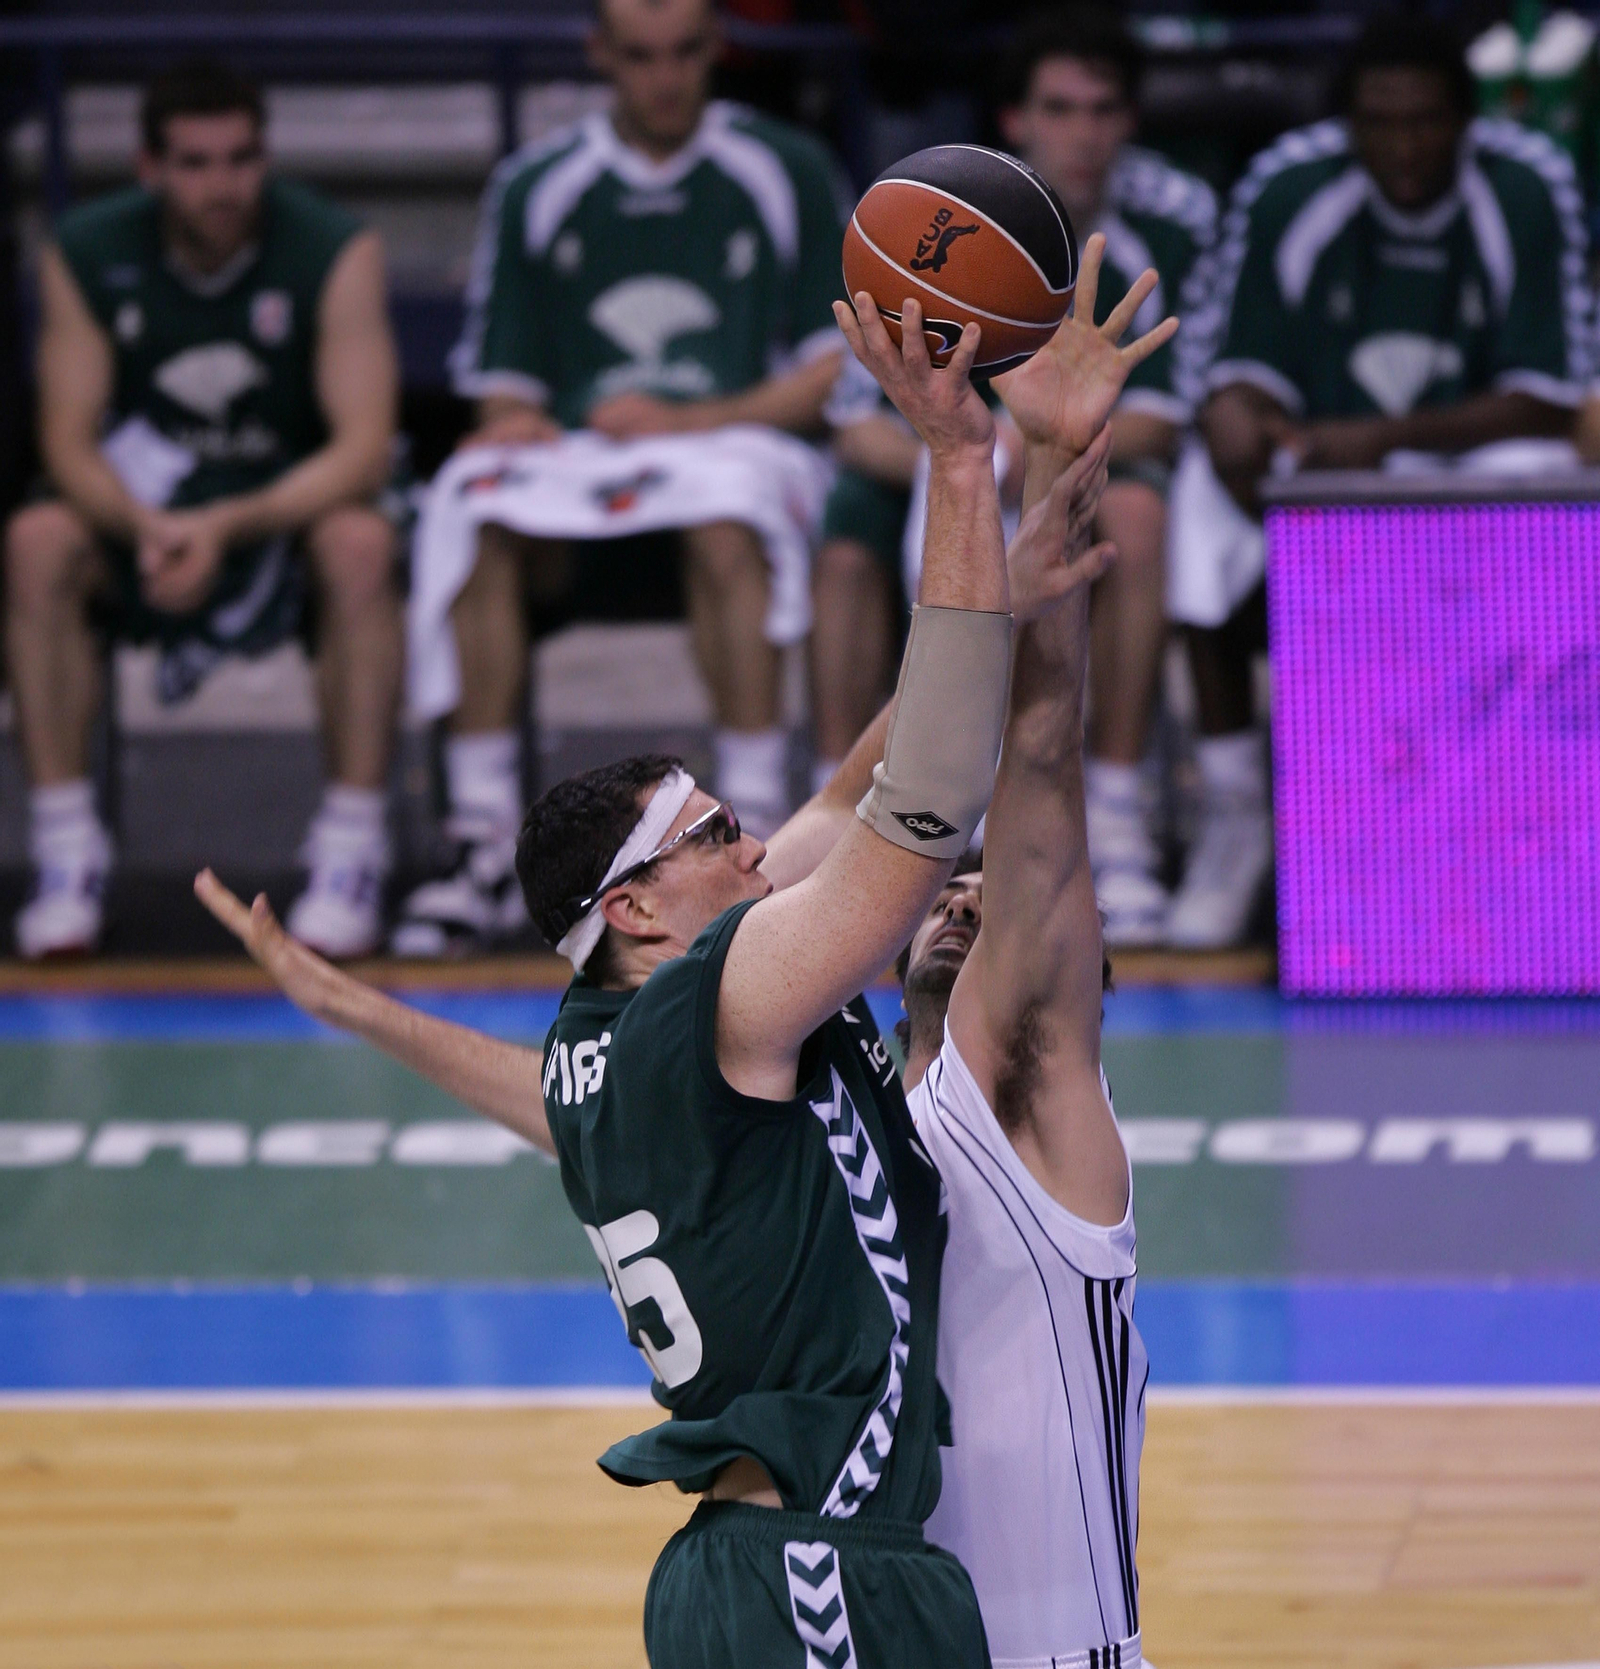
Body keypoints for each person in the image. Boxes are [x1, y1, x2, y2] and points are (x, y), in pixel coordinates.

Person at [199, 237, 1174, 1667]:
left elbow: (864, 777)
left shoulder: (612, 1054)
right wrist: (958, 464)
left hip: (759, 1569)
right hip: (817, 1569)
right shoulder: (731, 1003)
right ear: (638, 910)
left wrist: (1022, 543)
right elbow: (924, 796)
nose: (755, 838)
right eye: (716, 831)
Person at [396, 0, 866, 956]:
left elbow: (837, 371)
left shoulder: (785, 167)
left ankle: (755, 826)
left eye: (688, 53)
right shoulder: (537, 184)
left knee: (728, 522)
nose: (666, 78)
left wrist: (688, 420)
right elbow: (501, 386)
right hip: (587, 459)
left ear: (714, 52)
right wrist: (518, 422)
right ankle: (482, 840)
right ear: (600, 54)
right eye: (641, 55)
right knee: (473, 505)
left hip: (735, 443)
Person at [1172, 14, 1590, 948]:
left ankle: (1533, 811)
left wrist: (1384, 438)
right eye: (1381, 122)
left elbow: (1552, 399)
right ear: (1349, 123)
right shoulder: (1290, 183)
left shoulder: (1528, 184)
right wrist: (1236, 410)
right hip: (1322, 459)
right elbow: (1234, 364)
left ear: (1466, 122)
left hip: (1463, 454)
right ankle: (1236, 812)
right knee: (1198, 500)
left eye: (1428, 121)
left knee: (1541, 483)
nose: (1405, 145)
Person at [2, 59, 403, 960]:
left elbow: (364, 448)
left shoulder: (336, 246)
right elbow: (65, 439)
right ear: (149, 168)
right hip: (145, 516)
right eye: (194, 162)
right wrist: (151, 527)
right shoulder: (85, 249)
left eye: (240, 158)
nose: (221, 184)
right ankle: (68, 852)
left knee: (363, 544)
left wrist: (225, 525)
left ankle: (351, 851)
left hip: (283, 513)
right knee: (35, 540)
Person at [996, 4, 1216, 950]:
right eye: (1059, 108)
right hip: (970, 468)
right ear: (1016, 120)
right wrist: (989, 452)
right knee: (927, 508)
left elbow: (1184, 406)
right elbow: (856, 422)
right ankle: (942, 808)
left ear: (1129, 120)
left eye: (1103, 109)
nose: (1081, 133)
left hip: (1106, 464)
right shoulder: (946, 214)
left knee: (1132, 508)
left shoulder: (1182, 218)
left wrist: (1055, 448)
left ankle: (1116, 808)